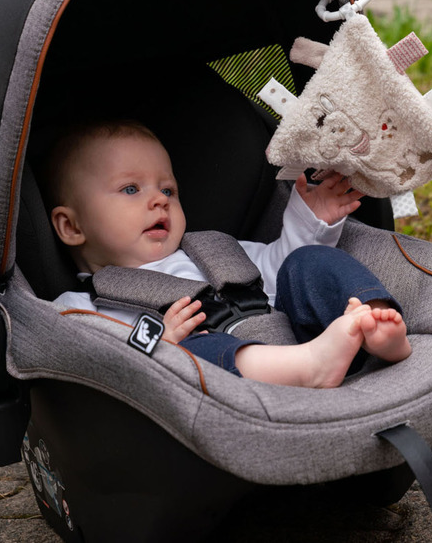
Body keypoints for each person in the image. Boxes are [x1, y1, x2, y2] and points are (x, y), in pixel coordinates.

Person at [44, 119, 411, 388]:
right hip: (231, 389)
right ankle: (309, 366)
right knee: (194, 350)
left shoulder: (213, 251)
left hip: (309, 340)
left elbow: (282, 268)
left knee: (306, 261)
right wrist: (159, 346)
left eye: (168, 190)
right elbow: (80, 355)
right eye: (129, 189)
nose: (158, 200)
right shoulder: (80, 307)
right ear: (72, 227)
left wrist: (311, 218)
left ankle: (374, 323)